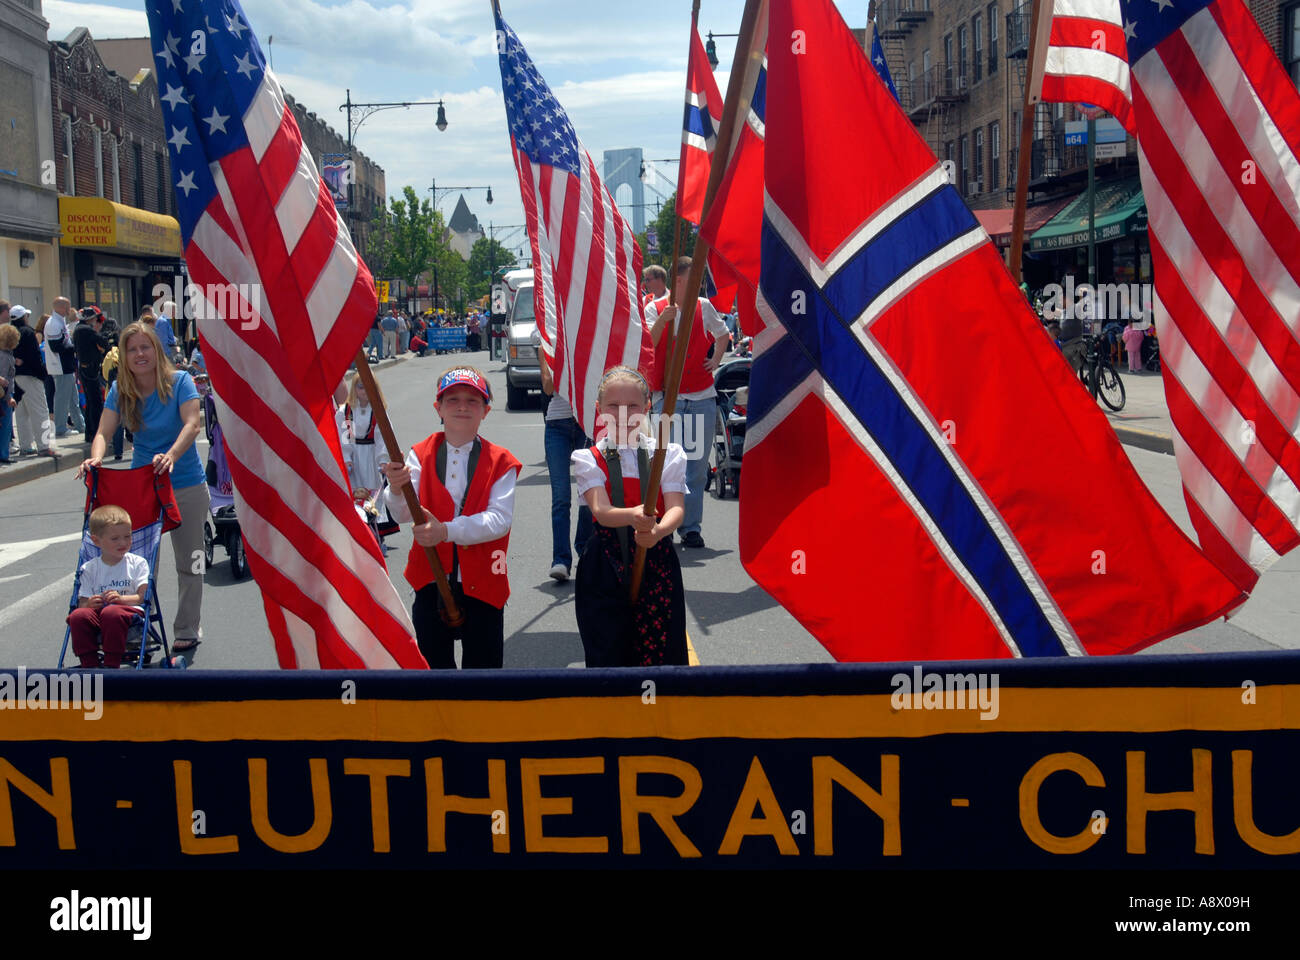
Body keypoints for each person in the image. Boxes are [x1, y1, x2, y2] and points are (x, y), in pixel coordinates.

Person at [79, 322, 208, 651]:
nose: (140, 354)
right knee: (136, 564)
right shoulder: (121, 390)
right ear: (124, 355)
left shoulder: (180, 381)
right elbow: (103, 433)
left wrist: (172, 455)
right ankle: (135, 624)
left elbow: (193, 424)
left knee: (190, 560)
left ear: (157, 350)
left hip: (185, 481)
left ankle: (188, 626)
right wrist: (95, 459)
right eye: (132, 349)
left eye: (145, 347)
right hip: (142, 487)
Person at [381, 367, 521, 669]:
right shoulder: (418, 455)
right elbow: (402, 512)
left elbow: (499, 521)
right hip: (430, 577)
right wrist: (395, 488)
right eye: (453, 399)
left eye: (472, 400)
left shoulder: (503, 462)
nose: (462, 406)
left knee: (483, 674)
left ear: (485, 410)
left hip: (485, 582)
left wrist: (446, 531)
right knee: (434, 672)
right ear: (438, 408)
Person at [571, 365, 688, 666]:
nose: (623, 413)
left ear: (648, 407)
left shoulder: (666, 453)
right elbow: (601, 511)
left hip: (657, 562)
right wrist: (635, 515)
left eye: (633, 405)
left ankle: (657, 710)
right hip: (605, 565)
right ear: (599, 410)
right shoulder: (587, 458)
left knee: (661, 651)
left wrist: (659, 531)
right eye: (613, 406)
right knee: (608, 653)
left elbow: (676, 507)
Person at [645, 256, 731, 549]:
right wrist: (663, 320)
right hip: (667, 397)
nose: (701, 283)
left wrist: (716, 360)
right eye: (695, 277)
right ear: (680, 280)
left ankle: (690, 528)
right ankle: (666, 525)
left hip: (700, 396)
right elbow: (649, 344)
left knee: (695, 468)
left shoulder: (703, 306)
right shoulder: (654, 308)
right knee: (667, 465)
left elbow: (723, 335)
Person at [531, 326, 592, 581]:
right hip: (557, 424)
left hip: (586, 422)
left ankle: (585, 552)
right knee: (561, 497)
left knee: (589, 494)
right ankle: (561, 560)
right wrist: (560, 354)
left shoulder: (592, 336)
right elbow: (547, 386)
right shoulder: (546, 342)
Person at [66, 505, 150, 669]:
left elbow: (142, 597)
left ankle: (112, 665)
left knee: (111, 611)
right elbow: (82, 603)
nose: (123, 542)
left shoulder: (138, 563)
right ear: (97, 541)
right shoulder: (89, 568)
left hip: (129, 612)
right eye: (115, 539)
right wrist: (90, 604)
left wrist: (120, 599)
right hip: (98, 615)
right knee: (78, 616)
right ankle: (89, 664)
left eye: (127, 536)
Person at [5, 304, 56, 458]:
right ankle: (44, 446)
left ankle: (26, 446)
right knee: (40, 411)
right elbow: (35, 356)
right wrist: (42, 373)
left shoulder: (8, 334)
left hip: (14, 378)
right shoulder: (28, 333)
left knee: (21, 414)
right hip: (31, 377)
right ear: (24, 317)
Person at [43, 297, 85, 440]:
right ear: (60, 307)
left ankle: (80, 425)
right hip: (60, 367)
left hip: (66, 366)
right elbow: (57, 346)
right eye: (67, 306)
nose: (69, 309)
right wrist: (74, 346)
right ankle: (60, 427)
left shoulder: (59, 321)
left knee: (73, 398)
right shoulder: (53, 323)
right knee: (62, 397)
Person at [73, 306, 111, 444]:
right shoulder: (86, 330)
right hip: (90, 369)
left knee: (91, 402)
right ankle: (96, 432)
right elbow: (103, 342)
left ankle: (90, 433)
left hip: (85, 368)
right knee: (96, 402)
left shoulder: (79, 329)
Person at [0, 323, 17, 464]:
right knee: (5, 427)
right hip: (3, 396)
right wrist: (9, 397)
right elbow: (7, 380)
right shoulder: (6, 357)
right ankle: (3, 454)